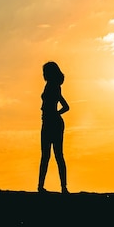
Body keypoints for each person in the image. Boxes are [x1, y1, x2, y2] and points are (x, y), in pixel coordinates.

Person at [38, 61, 70, 194]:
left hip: (53, 123)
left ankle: (63, 187)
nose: (43, 74)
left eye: (45, 71)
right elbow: (66, 106)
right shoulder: (52, 86)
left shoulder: (53, 86)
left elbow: (65, 107)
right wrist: (55, 113)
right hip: (48, 122)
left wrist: (54, 114)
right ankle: (41, 187)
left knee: (56, 155)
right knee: (47, 155)